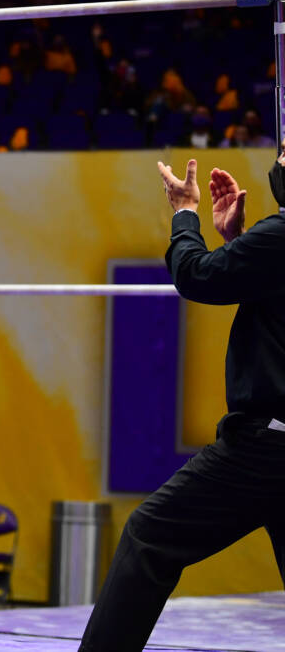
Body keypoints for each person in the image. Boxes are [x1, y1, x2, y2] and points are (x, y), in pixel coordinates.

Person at [79, 151, 285, 651]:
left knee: (149, 537)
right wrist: (239, 243)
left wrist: (184, 213)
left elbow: (196, 275)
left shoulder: (282, 235)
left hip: (264, 452)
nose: (279, 162)